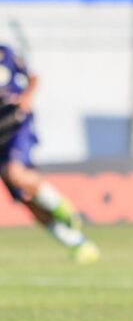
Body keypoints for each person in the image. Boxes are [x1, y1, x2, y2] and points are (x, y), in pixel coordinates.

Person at [0, 43, 100, 263]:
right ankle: (78, 243)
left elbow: (33, 77)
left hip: (16, 126)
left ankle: (61, 207)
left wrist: (26, 97)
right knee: (27, 200)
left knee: (14, 173)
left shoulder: (6, 54)